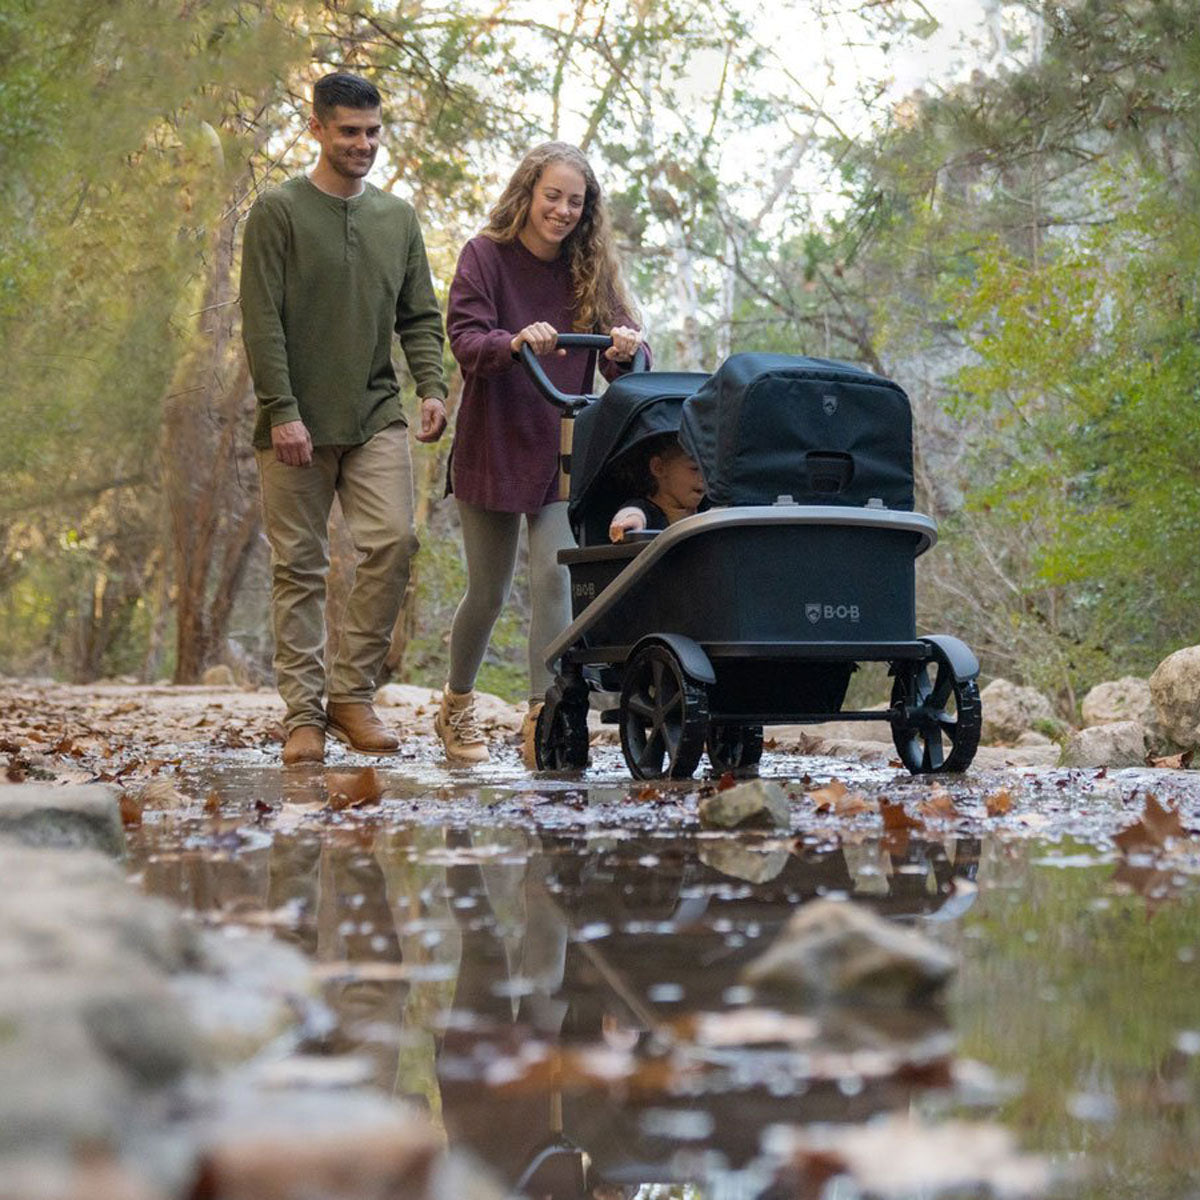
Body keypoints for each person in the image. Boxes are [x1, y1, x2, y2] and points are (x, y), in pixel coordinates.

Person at [240, 72, 449, 765]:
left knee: (394, 542)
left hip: (372, 414)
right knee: (299, 567)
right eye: (349, 131)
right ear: (317, 129)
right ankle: (303, 715)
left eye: (373, 132)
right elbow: (261, 320)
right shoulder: (278, 210)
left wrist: (431, 386)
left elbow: (420, 314)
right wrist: (282, 411)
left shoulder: (397, 219)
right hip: (291, 424)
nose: (364, 145)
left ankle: (351, 697)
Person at [437, 142, 648, 766]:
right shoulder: (485, 256)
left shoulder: (592, 270)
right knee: (488, 590)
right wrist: (514, 340)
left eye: (574, 202)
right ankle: (456, 703)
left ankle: (545, 716)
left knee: (555, 580)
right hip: (495, 441)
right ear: (528, 193)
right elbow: (466, 339)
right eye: (551, 196)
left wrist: (623, 348)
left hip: (562, 447)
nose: (561, 211)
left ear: (587, 211)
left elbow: (634, 362)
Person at [608, 434, 706, 542]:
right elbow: (633, 513)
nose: (704, 478)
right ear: (658, 468)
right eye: (695, 468)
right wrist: (628, 523)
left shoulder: (707, 507)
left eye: (707, 469)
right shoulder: (645, 509)